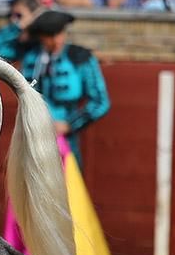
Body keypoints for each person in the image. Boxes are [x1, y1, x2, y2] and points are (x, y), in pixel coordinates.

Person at [19, 9, 110, 165]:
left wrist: (70, 124)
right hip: (33, 137)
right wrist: (20, 28)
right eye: (49, 35)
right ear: (40, 36)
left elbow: (101, 101)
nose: (56, 40)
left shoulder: (80, 58)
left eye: (59, 33)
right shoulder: (30, 57)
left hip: (67, 141)